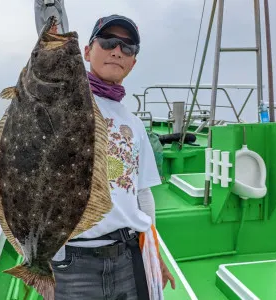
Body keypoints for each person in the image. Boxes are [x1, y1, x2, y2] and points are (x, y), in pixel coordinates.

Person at [49, 13, 176, 300]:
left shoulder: (134, 122)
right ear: (86, 51)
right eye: (108, 41)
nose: (118, 50)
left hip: (129, 256)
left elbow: (142, 193)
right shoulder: (58, 103)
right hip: (72, 261)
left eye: (128, 47)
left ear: (133, 62)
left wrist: (154, 256)